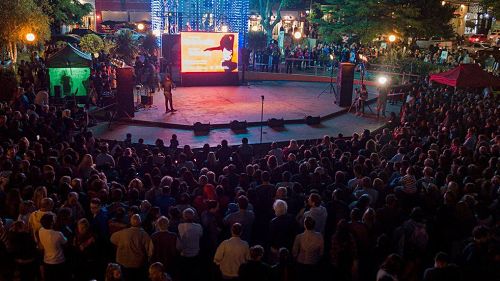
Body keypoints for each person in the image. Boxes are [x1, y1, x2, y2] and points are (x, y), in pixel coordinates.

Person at [110, 214, 153, 281]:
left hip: (123, 263)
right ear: (140, 222)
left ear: (130, 222)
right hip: (138, 265)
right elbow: (150, 250)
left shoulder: (123, 232)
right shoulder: (144, 234)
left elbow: (112, 239)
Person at [292, 216, 324, 281]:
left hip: (301, 264)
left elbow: (294, 252)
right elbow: (321, 252)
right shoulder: (319, 236)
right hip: (314, 263)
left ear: (304, 225)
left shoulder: (299, 237)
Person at [38, 213, 68, 281]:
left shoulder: (41, 231)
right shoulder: (58, 234)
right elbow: (65, 242)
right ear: (51, 222)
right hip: (59, 261)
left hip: (47, 261)